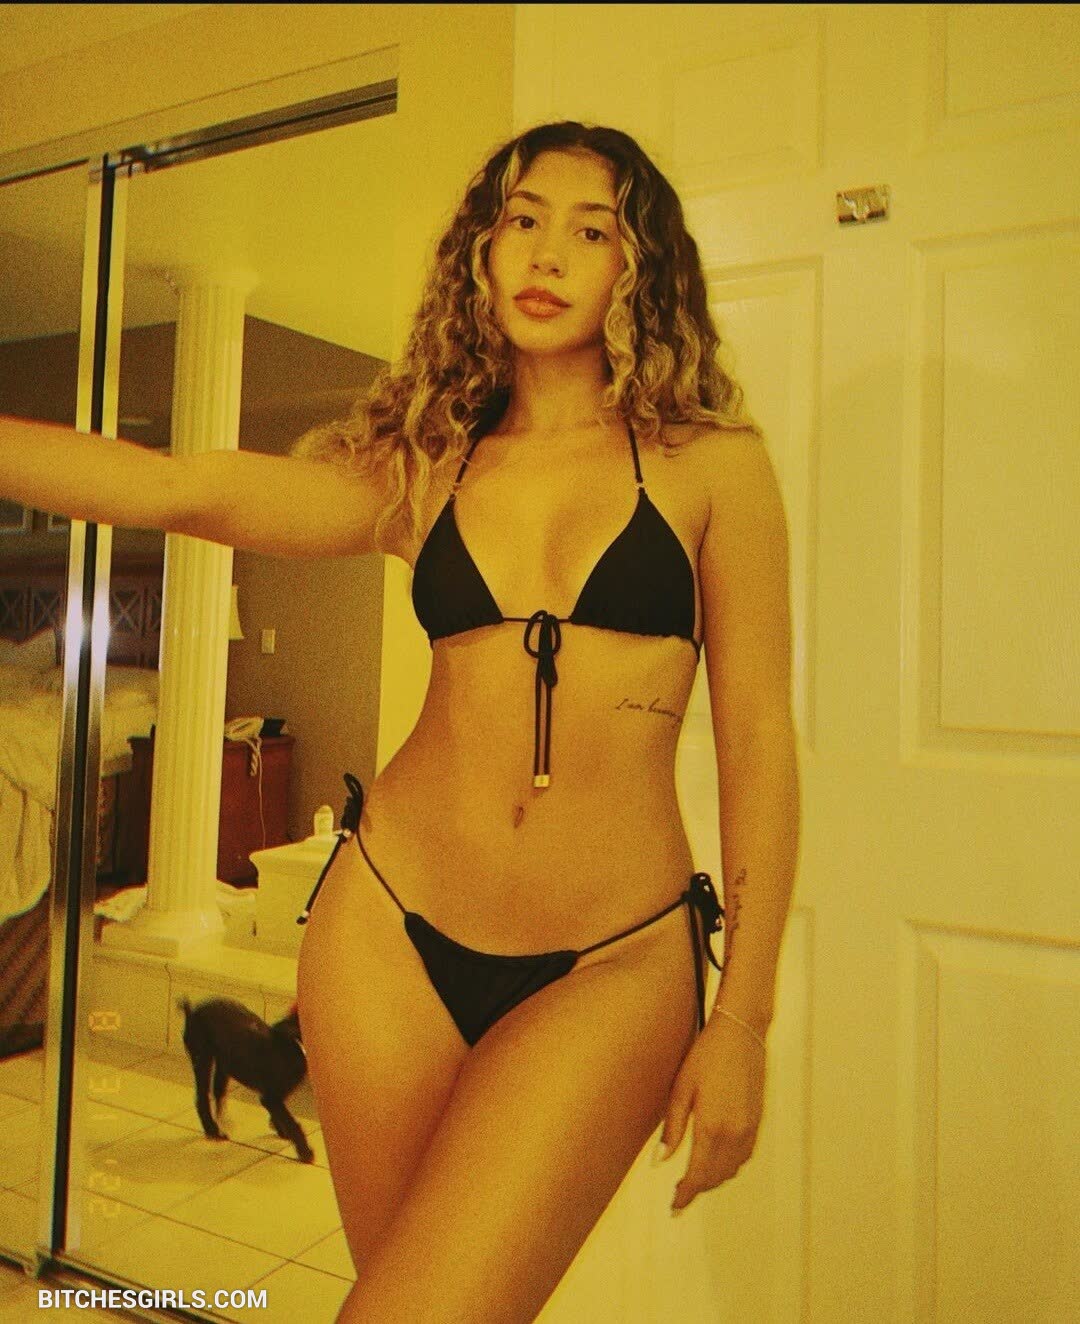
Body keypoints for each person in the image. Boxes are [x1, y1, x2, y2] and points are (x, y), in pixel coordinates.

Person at [0, 120, 799, 1323]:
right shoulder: (426, 469)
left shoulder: (710, 465)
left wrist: (743, 1020)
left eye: (592, 232)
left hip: (613, 961)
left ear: (640, 268)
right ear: (482, 248)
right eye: (522, 220)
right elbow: (185, 487)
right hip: (388, 939)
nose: (546, 253)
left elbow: (760, 742)